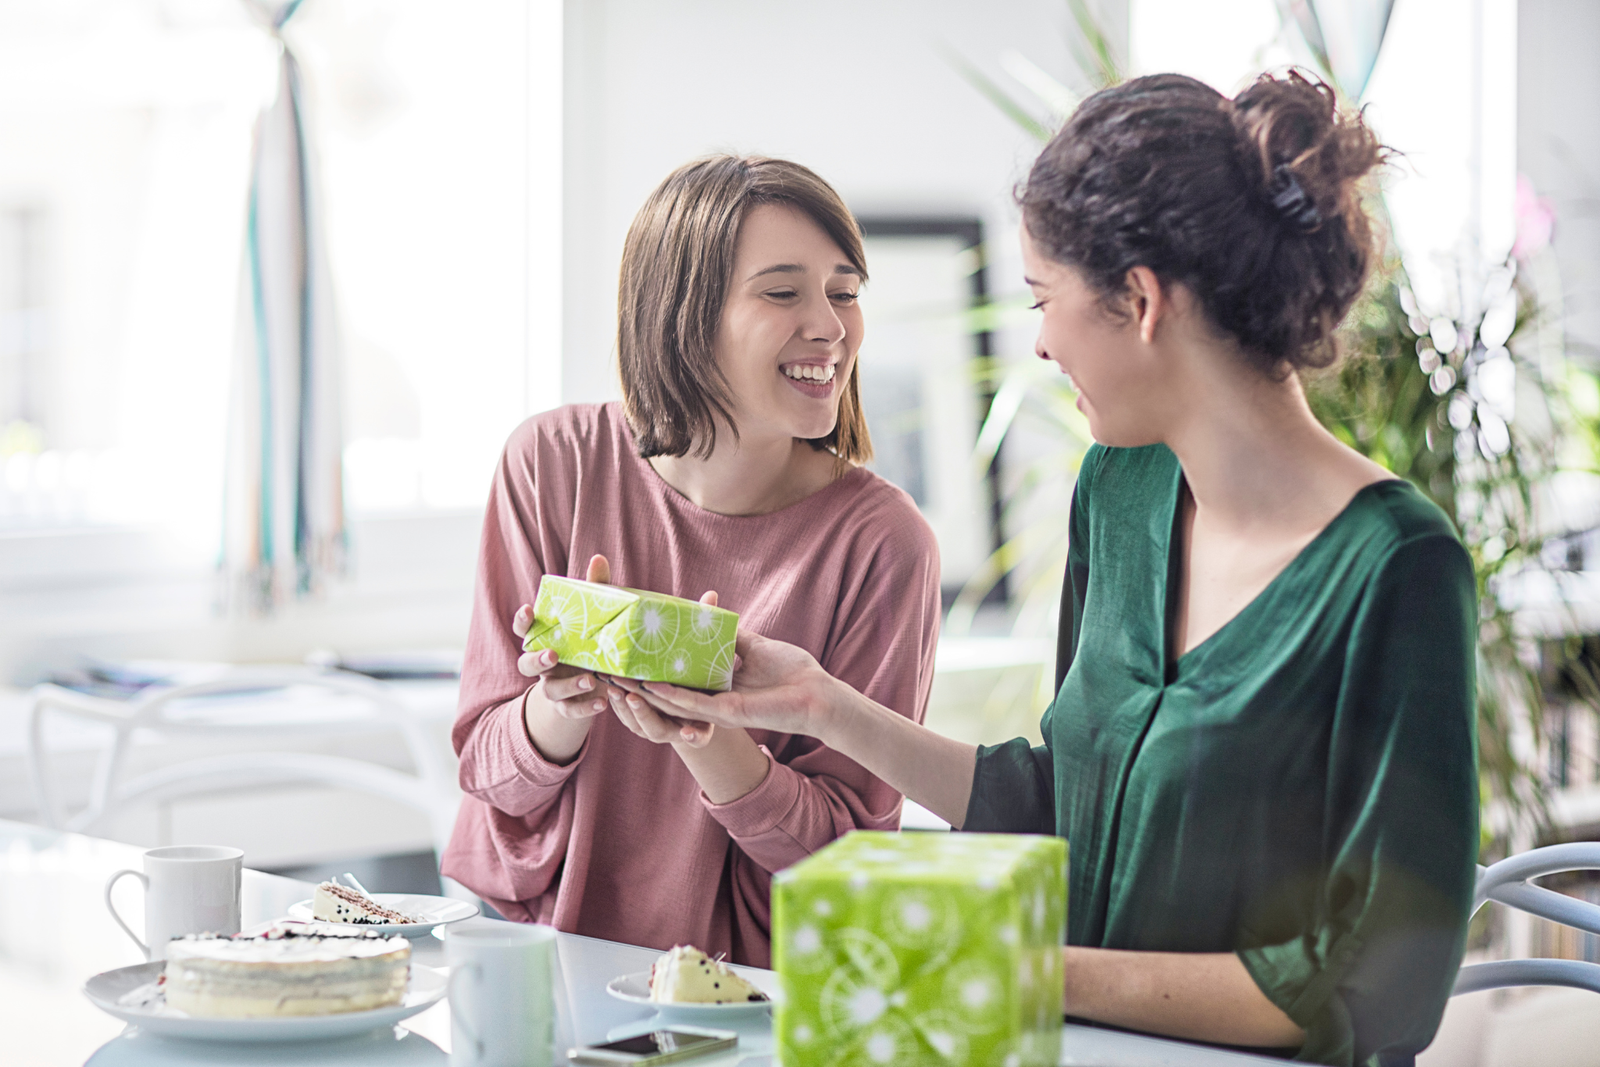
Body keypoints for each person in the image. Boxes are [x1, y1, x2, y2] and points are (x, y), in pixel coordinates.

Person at [619, 73, 1479, 1066]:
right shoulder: (1118, 492)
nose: (1036, 339)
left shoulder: (1395, 567)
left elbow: (1382, 987)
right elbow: (1070, 799)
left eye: (1044, 298)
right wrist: (822, 704)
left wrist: (1025, 960)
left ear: (1141, 301)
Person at [438, 155, 942, 967]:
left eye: (845, 292)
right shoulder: (551, 464)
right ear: (683, 313)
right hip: (534, 968)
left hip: (748, 999)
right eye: (783, 292)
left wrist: (707, 732)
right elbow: (490, 778)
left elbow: (848, 866)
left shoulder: (884, 542)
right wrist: (562, 703)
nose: (831, 325)